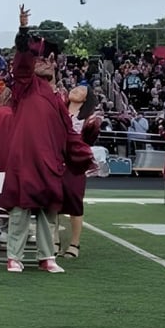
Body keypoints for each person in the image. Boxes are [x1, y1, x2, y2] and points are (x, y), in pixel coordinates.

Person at [1, 5, 94, 274]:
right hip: (25, 158)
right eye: (39, 60)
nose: (42, 62)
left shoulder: (58, 100)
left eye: (47, 61)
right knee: (20, 209)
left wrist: (85, 156)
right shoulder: (26, 86)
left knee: (47, 212)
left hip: (49, 161)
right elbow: (22, 63)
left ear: (55, 69)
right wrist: (23, 30)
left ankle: (46, 256)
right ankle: (14, 257)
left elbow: (69, 134)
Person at [60, 85, 102, 258]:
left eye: (81, 90)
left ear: (86, 98)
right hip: (56, 159)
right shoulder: (59, 110)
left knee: (75, 201)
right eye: (75, 88)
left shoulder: (90, 119)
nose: (75, 90)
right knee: (53, 201)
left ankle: (74, 243)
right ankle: (54, 240)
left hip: (75, 164)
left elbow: (89, 141)